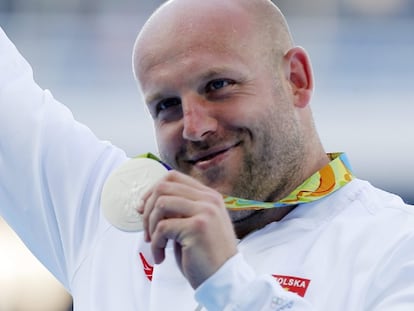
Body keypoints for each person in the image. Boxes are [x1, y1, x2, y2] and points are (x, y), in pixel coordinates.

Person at [1, 0, 414, 310]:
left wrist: (225, 280)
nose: (194, 126)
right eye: (167, 106)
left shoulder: (396, 247)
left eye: (218, 86)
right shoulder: (110, 221)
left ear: (296, 80)